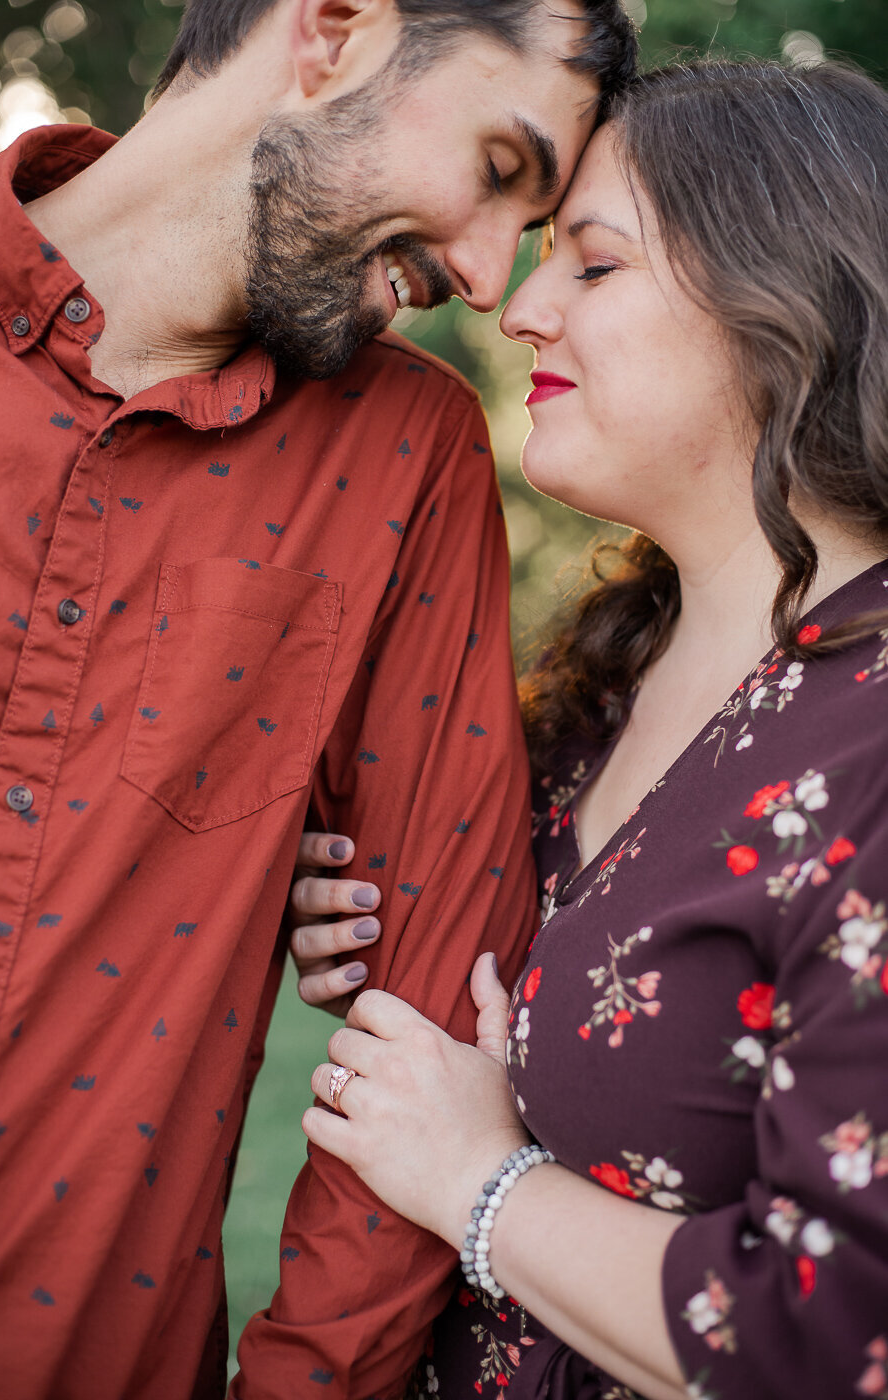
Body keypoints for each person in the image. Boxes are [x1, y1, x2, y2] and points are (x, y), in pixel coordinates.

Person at [0, 2, 639, 1397]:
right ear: (334, 27)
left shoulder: (406, 461)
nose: (484, 274)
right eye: (498, 170)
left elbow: (433, 1004)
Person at [294, 58, 888, 1399]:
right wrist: (387, 929)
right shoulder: (605, 690)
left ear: (787, 301)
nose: (517, 308)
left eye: (594, 264)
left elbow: (841, 1334)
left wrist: (478, 1181)